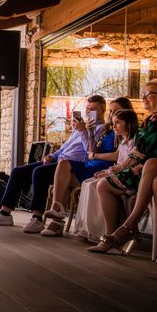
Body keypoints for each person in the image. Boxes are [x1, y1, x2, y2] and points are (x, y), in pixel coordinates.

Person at [0, 95, 111, 233]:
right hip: (59, 159)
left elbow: (89, 152)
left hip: (72, 165)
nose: (88, 112)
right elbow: (66, 146)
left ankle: (37, 218)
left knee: (39, 173)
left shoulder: (102, 130)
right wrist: (52, 155)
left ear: (103, 110)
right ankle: (5, 214)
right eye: (87, 108)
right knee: (18, 172)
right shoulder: (81, 127)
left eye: (93, 109)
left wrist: (84, 131)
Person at [39, 97, 130, 236]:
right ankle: (57, 210)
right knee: (63, 165)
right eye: (111, 111)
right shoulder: (107, 128)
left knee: (62, 173)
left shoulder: (120, 131)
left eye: (117, 111)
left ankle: (56, 220)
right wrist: (88, 133)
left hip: (104, 164)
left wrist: (94, 152)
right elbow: (91, 150)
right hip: (92, 161)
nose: (113, 115)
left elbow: (116, 155)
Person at [88, 79, 157, 254]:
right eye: (143, 94)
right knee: (101, 184)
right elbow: (137, 151)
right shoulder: (150, 120)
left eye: (148, 94)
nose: (144, 98)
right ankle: (113, 233)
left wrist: (116, 169)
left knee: (103, 183)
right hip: (142, 167)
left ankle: (125, 229)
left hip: (144, 168)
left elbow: (141, 151)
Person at [72, 108, 138, 242]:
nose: (114, 126)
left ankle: (102, 231)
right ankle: (88, 229)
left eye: (118, 123)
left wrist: (107, 172)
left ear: (129, 124)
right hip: (117, 171)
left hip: (127, 176)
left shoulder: (134, 142)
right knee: (87, 182)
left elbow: (126, 165)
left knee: (95, 185)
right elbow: (119, 162)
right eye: (113, 122)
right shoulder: (122, 141)